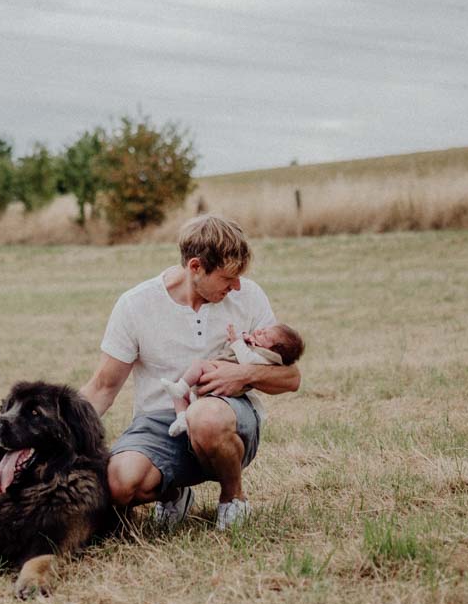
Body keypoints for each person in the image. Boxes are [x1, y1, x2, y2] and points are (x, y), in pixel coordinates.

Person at [78, 214, 301, 531]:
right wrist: (54, 434)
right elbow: (102, 387)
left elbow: (291, 378)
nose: (236, 285)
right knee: (119, 484)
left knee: (205, 417)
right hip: (159, 424)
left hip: (225, 419)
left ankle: (232, 498)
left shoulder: (249, 296)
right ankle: (174, 492)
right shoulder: (135, 304)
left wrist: (242, 376)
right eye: (227, 278)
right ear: (195, 267)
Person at [161, 321, 305, 436]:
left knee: (198, 365)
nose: (260, 331)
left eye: (265, 335)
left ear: (273, 350)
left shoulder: (266, 358)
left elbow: (247, 359)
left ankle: (181, 389)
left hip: (223, 381)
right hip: (214, 379)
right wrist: (247, 338)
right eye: (263, 329)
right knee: (179, 394)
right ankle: (181, 418)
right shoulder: (260, 348)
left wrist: (236, 341)